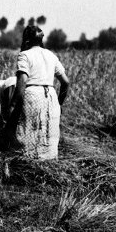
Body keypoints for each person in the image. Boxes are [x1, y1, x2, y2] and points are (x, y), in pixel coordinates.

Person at [7, 22, 70, 160]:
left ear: (26, 40)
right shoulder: (51, 55)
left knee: (29, 130)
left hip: (33, 95)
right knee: (49, 133)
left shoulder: (24, 55)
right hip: (51, 96)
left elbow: (22, 81)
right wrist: (59, 103)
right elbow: (66, 82)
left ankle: (28, 163)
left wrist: (12, 105)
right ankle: (47, 162)